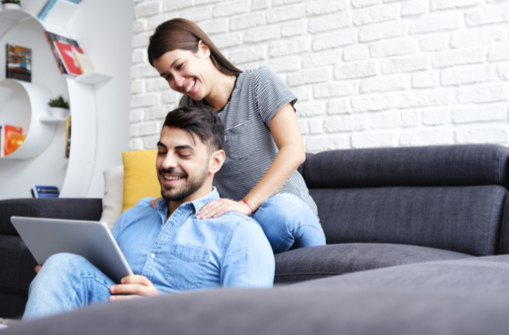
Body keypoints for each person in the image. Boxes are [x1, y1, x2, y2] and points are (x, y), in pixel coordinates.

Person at [22, 106, 275, 320]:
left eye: (183, 154)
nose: (166, 163)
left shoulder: (240, 234)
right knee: (60, 266)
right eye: (162, 151)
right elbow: (96, 282)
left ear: (215, 162)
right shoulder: (135, 216)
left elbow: (246, 326)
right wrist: (60, 277)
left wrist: (161, 308)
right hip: (106, 322)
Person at [147, 18, 326, 254]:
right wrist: (170, 202)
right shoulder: (187, 108)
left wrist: (246, 205)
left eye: (179, 66)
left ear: (203, 49)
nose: (177, 82)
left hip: (285, 218)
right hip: (240, 227)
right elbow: (191, 169)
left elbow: (293, 150)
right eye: (167, 76)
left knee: (280, 209)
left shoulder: (258, 84)